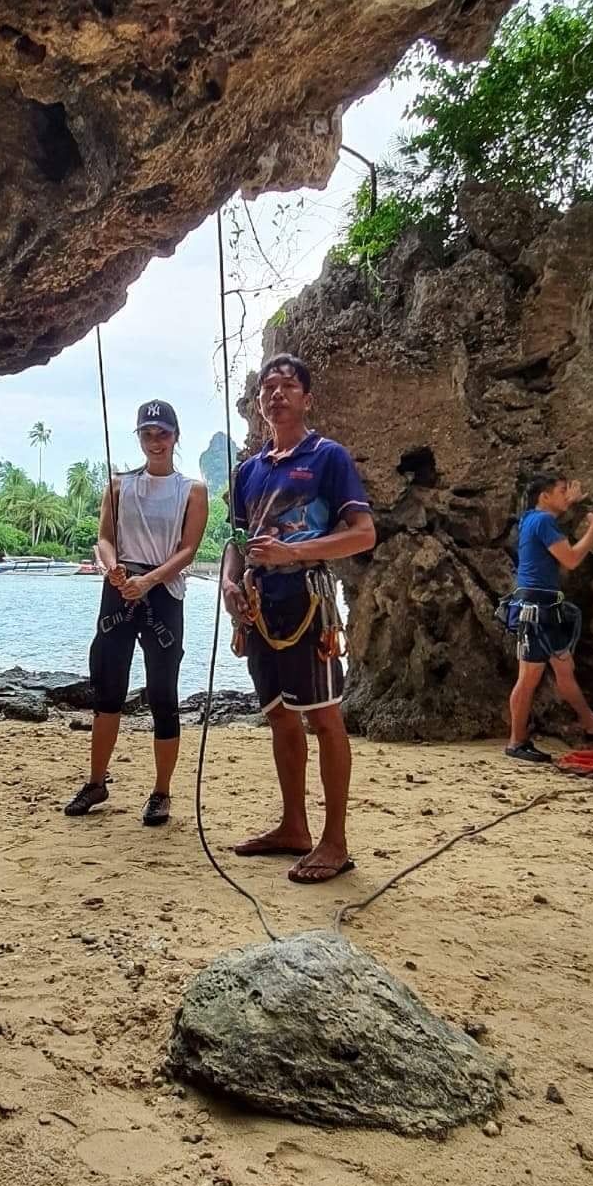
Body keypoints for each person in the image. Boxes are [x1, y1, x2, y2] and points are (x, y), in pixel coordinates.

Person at [223, 354, 375, 883]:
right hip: (259, 606)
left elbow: (363, 533)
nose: (277, 394)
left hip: (308, 597)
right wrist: (227, 582)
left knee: (325, 717)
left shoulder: (328, 457)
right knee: (280, 715)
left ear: (307, 398)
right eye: (268, 387)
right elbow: (235, 539)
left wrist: (291, 554)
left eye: (288, 386)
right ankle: (294, 826)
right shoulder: (249, 469)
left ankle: (335, 840)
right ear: (260, 402)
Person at [65, 401, 208, 825]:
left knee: (163, 694)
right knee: (108, 690)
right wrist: (113, 570)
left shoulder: (191, 490)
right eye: (148, 434)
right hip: (119, 588)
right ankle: (96, 782)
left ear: (175, 437)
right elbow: (105, 539)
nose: (155, 441)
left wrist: (148, 581)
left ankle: (162, 791)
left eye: (163, 433)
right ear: (139, 438)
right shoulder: (118, 486)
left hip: (163, 594)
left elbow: (187, 550)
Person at [505, 471, 593, 764]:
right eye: (562, 491)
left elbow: (553, 536)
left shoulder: (532, 518)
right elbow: (572, 559)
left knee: (565, 668)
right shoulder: (542, 521)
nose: (567, 495)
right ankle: (516, 742)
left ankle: (591, 722)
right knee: (528, 678)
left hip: (545, 606)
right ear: (545, 496)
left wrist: (572, 505)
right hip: (536, 608)